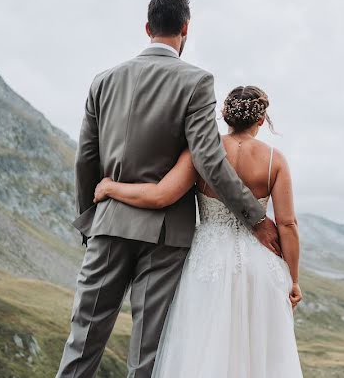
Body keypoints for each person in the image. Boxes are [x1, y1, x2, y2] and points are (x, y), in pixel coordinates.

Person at [58, 0, 282, 378]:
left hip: (108, 224)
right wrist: (256, 218)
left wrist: (91, 220)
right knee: (147, 352)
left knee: (83, 341)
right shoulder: (196, 82)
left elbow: (86, 159)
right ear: (185, 29)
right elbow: (209, 160)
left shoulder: (103, 81)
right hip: (164, 237)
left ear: (147, 28)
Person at [93, 86, 303, 377]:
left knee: (201, 348)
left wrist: (110, 187)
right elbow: (288, 224)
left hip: (208, 261)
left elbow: (160, 195)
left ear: (224, 116)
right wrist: (293, 280)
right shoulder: (274, 160)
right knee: (259, 357)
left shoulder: (203, 151)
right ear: (261, 120)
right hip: (259, 265)